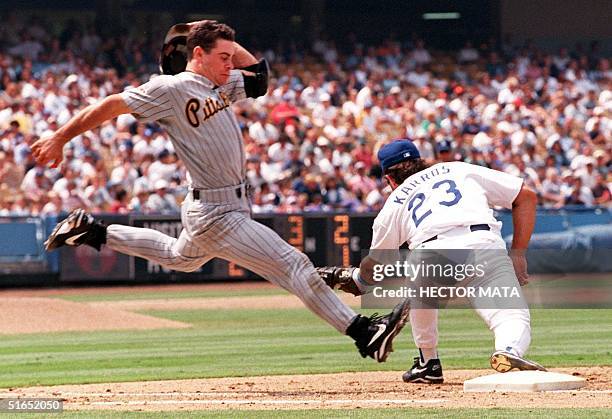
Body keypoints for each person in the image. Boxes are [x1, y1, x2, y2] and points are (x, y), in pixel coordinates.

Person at [30, 20, 409, 363]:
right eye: (223, 56)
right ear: (198, 54)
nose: (232, 64)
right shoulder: (172, 88)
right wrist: (61, 137)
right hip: (217, 213)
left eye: (231, 56)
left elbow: (259, 76)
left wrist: (221, 37)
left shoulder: (221, 84)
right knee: (294, 265)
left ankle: (93, 231)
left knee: (180, 257)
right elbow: (113, 104)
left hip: (219, 206)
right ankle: (365, 333)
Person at [317, 139, 546, 383]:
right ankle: (508, 350)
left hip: (431, 253)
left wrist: (358, 279)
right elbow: (527, 197)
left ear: (389, 180)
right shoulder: (459, 169)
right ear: (420, 162)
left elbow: (375, 267)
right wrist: (518, 253)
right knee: (510, 317)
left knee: (421, 287)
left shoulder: (394, 203)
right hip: (484, 244)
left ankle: (428, 362)